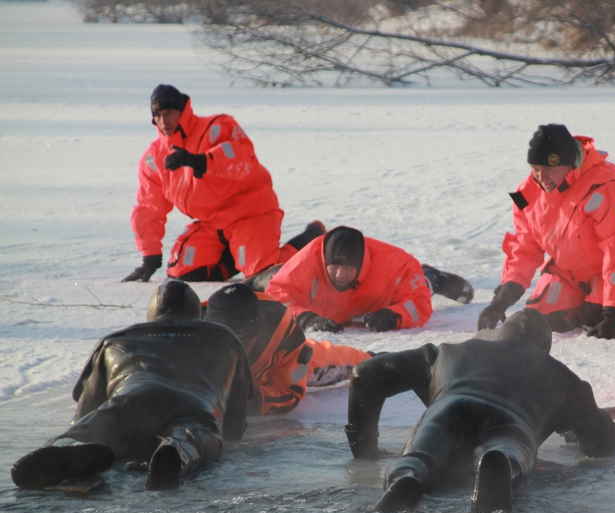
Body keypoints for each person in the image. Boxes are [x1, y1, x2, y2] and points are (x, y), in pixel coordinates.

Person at [344, 309, 615, 513]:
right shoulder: (562, 379)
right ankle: (501, 460)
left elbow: (365, 374)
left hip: (450, 408)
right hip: (512, 421)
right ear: (544, 350)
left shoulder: (448, 352)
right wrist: (576, 424)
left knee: (420, 457)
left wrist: (364, 447)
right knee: (509, 448)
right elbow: (604, 444)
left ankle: (408, 476)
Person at [10, 281, 258, 491]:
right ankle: (178, 450)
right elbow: (236, 422)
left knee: (93, 428)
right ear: (196, 312)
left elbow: (85, 410)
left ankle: (70, 446)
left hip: (130, 399)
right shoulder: (224, 338)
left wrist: (87, 429)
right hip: (193, 406)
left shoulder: (115, 340)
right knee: (195, 434)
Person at [123, 83, 325, 283]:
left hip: (250, 213)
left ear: (181, 111)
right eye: (157, 116)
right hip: (212, 222)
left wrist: (200, 161)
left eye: (168, 113)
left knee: (263, 275)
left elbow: (242, 158)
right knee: (183, 273)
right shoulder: (153, 158)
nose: (163, 120)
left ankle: (310, 241)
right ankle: (237, 255)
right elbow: (148, 207)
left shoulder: (217, 127)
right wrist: (150, 255)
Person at [478, 123, 615, 337]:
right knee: (545, 319)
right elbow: (524, 246)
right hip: (568, 269)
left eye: (550, 169)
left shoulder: (607, 185)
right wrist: (502, 299)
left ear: (570, 164)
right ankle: (597, 302)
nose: (541, 177)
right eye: (536, 168)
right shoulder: (524, 194)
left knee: (597, 319)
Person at [205, 282, 374, 415]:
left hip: (286, 367)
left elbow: (290, 393)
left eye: (235, 335)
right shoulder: (190, 324)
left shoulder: (284, 334)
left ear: (253, 330)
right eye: (219, 334)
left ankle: (373, 359)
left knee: (344, 361)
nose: (227, 342)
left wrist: (255, 400)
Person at [265, 225, 474, 333]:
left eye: (347, 268)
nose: (339, 274)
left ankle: (432, 278)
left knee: (422, 286)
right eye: (334, 267)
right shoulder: (307, 260)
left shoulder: (396, 264)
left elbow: (418, 304)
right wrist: (305, 318)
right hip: (332, 310)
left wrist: (395, 315)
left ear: (360, 265)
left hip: (383, 299)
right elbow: (276, 295)